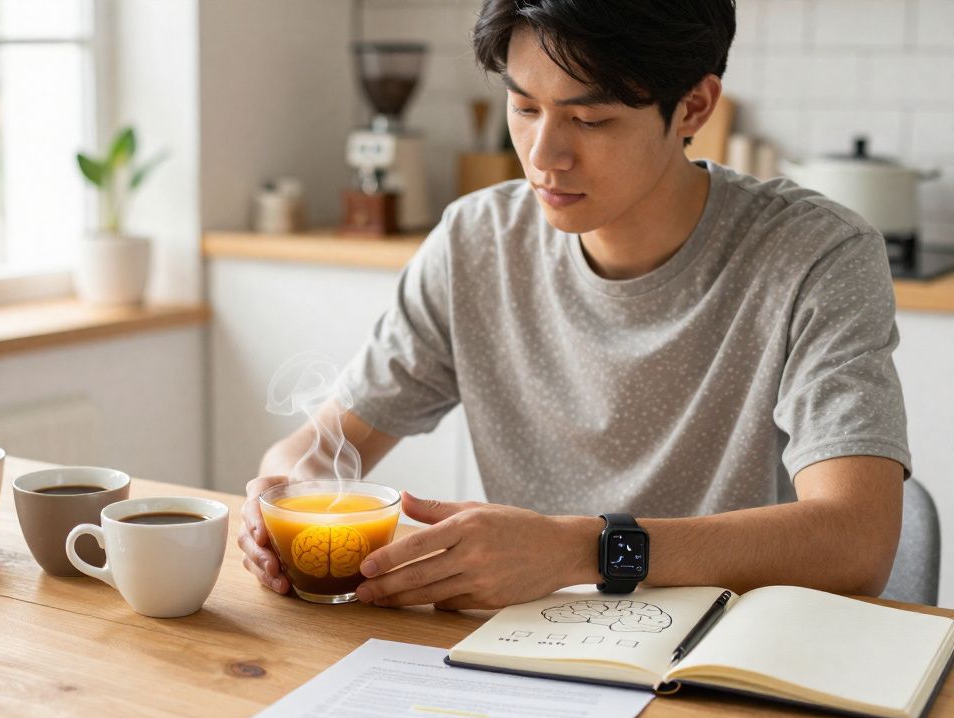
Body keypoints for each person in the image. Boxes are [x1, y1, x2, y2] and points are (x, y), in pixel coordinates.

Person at [238, 0, 910, 611]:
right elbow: (312, 451)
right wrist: (278, 502)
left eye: (589, 119)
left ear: (694, 109)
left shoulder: (817, 255)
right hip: (524, 655)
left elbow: (856, 541)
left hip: (726, 654)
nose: (542, 156)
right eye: (525, 108)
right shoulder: (477, 244)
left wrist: (578, 551)